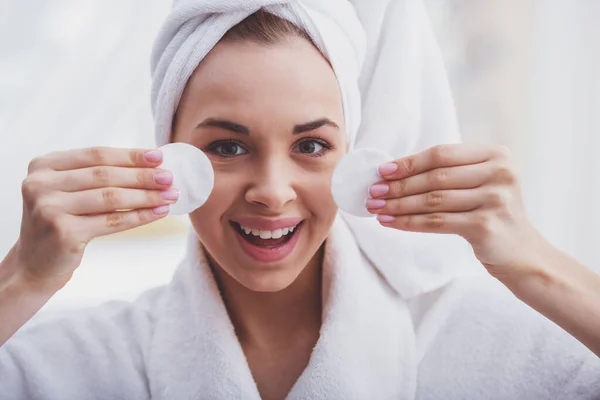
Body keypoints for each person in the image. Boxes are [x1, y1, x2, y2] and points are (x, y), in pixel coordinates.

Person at [1, 1, 599, 399]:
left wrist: (534, 265)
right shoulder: (73, 364)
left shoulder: (486, 346)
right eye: (227, 146)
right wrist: (21, 279)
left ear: (357, 155)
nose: (271, 191)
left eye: (311, 143)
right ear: (168, 153)